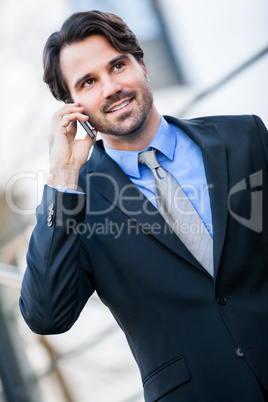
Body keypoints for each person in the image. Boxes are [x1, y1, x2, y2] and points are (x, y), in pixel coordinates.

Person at [19, 10, 268, 402]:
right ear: (74, 107)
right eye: (88, 82)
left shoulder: (244, 136)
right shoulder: (76, 203)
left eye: (118, 65)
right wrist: (64, 175)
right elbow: (47, 314)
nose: (111, 87)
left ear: (143, 65)